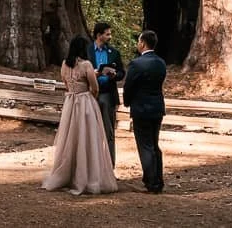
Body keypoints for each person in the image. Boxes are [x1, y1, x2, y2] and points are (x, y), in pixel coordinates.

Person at [42, 35, 118, 195]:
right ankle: (87, 175)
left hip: (70, 102)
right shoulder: (86, 65)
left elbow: (66, 83)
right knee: (87, 137)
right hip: (85, 102)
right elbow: (95, 87)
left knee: (70, 137)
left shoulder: (64, 64)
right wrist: (91, 96)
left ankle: (67, 173)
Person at [121, 29, 166, 194]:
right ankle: (158, 180)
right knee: (154, 144)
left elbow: (129, 86)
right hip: (157, 108)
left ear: (142, 43)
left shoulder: (137, 64)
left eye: (139, 41)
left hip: (141, 108)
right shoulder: (161, 63)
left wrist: (127, 102)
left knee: (145, 145)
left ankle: (151, 182)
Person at [90, 21, 125, 162]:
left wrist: (115, 75)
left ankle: (110, 165)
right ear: (99, 35)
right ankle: (92, 164)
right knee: (90, 131)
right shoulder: (87, 51)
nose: (110, 36)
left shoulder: (114, 53)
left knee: (109, 131)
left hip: (107, 95)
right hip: (90, 94)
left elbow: (122, 72)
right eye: (107, 34)